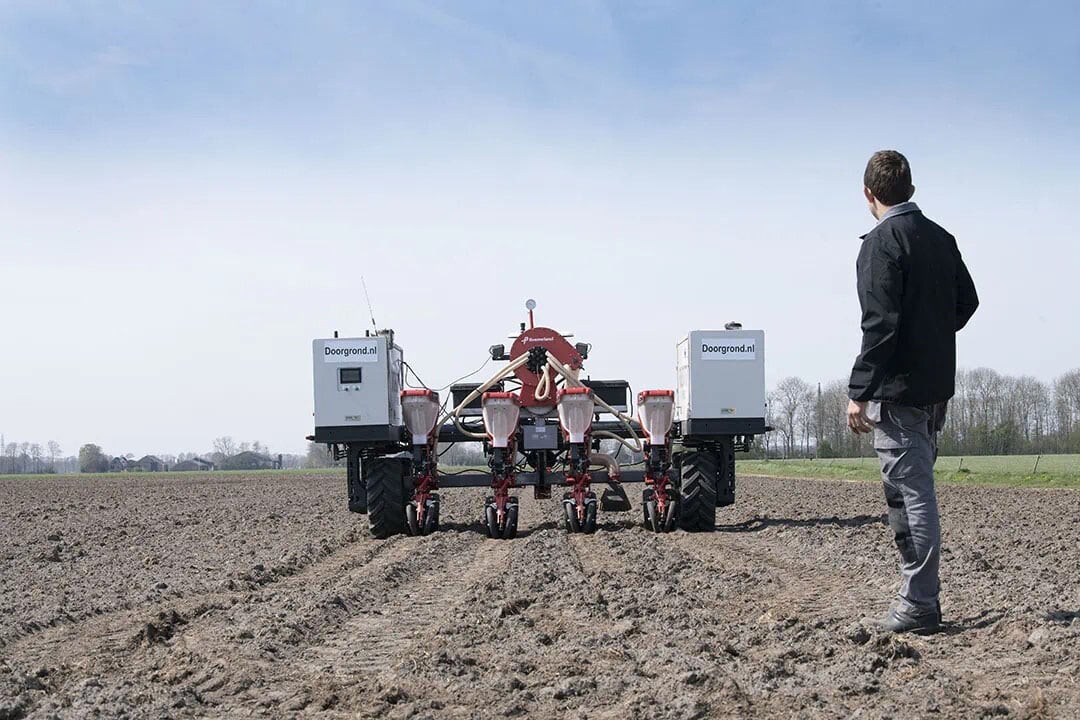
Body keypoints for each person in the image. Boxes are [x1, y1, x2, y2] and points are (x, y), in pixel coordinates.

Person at [846, 150, 979, 634]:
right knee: (911, 490)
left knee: (911, 495)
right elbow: (968, 301)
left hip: (898, 393)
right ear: (911, 191)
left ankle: (920, 604)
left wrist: (859, 390)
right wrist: (932, 338)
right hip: (934, 389)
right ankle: (918, 597)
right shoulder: (941, 238)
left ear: (868, 195)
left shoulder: (882, 244)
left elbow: (879, 326)